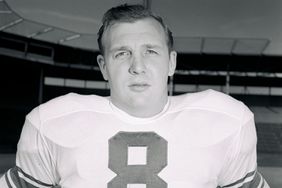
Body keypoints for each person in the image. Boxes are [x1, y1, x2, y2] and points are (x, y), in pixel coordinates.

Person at [0, 4, 269, 188]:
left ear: (172, 62)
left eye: (150, 51)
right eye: (122, 53)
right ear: (103, 67)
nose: (137, 66)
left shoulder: (227, 119)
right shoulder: (49, 123)